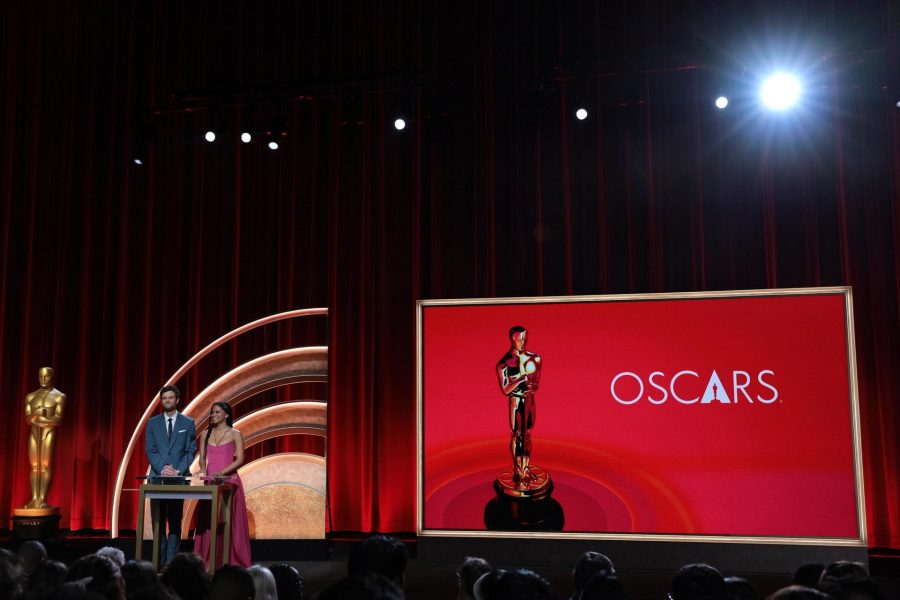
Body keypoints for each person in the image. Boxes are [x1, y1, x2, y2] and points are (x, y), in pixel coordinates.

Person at [194, 401, 252, 568]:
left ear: (226, 415)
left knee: (229, 521)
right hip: (211, 482)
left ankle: (231, 560)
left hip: (229, 481)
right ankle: (208, 559)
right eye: (212, 412)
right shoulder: (206, 434)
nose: (213, 415)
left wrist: (223, 472)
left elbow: (240, 459)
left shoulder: (235, 433)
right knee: (208, 520)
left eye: (217, 412)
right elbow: (203, 458)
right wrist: (203, 470)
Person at [145, 384, 197, 565]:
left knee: (175, 521)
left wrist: (178, 470)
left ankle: (171, 563)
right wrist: (162, 469)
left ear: (177, 400)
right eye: (164, 398)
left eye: (170, 398)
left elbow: (191, 450)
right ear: (162, 401)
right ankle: (158, 561)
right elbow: (150, 449)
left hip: (178, 479)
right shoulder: (152, 423)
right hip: (157, 479)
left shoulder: (188, 423)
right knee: (158, 522)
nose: (167, 401)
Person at [496, 326, 542, 483]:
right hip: (516, 401)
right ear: (512, 339)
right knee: (517, 435)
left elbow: (536, 384)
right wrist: (522, 379)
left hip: (530, 400)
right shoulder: (504, 363)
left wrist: (531, 385)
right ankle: (518, 471)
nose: (521, 342)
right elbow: (506, 389)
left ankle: (526, 470)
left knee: (528, 435)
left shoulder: (534, 358)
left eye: (524, 338)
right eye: (518, 339)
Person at [23, 367, 66, 509]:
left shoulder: (59, 396)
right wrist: (37, 413)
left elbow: (58, 420)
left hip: (48, 433)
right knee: (35, 466)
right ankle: (34, 498)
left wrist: (38, 419)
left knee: (45, 465)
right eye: (40, 376)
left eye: (46, 377)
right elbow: (27, 419)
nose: (43, 379)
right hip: (34, 433)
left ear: (52, 377)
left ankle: (42, 499)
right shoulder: (30, 396)